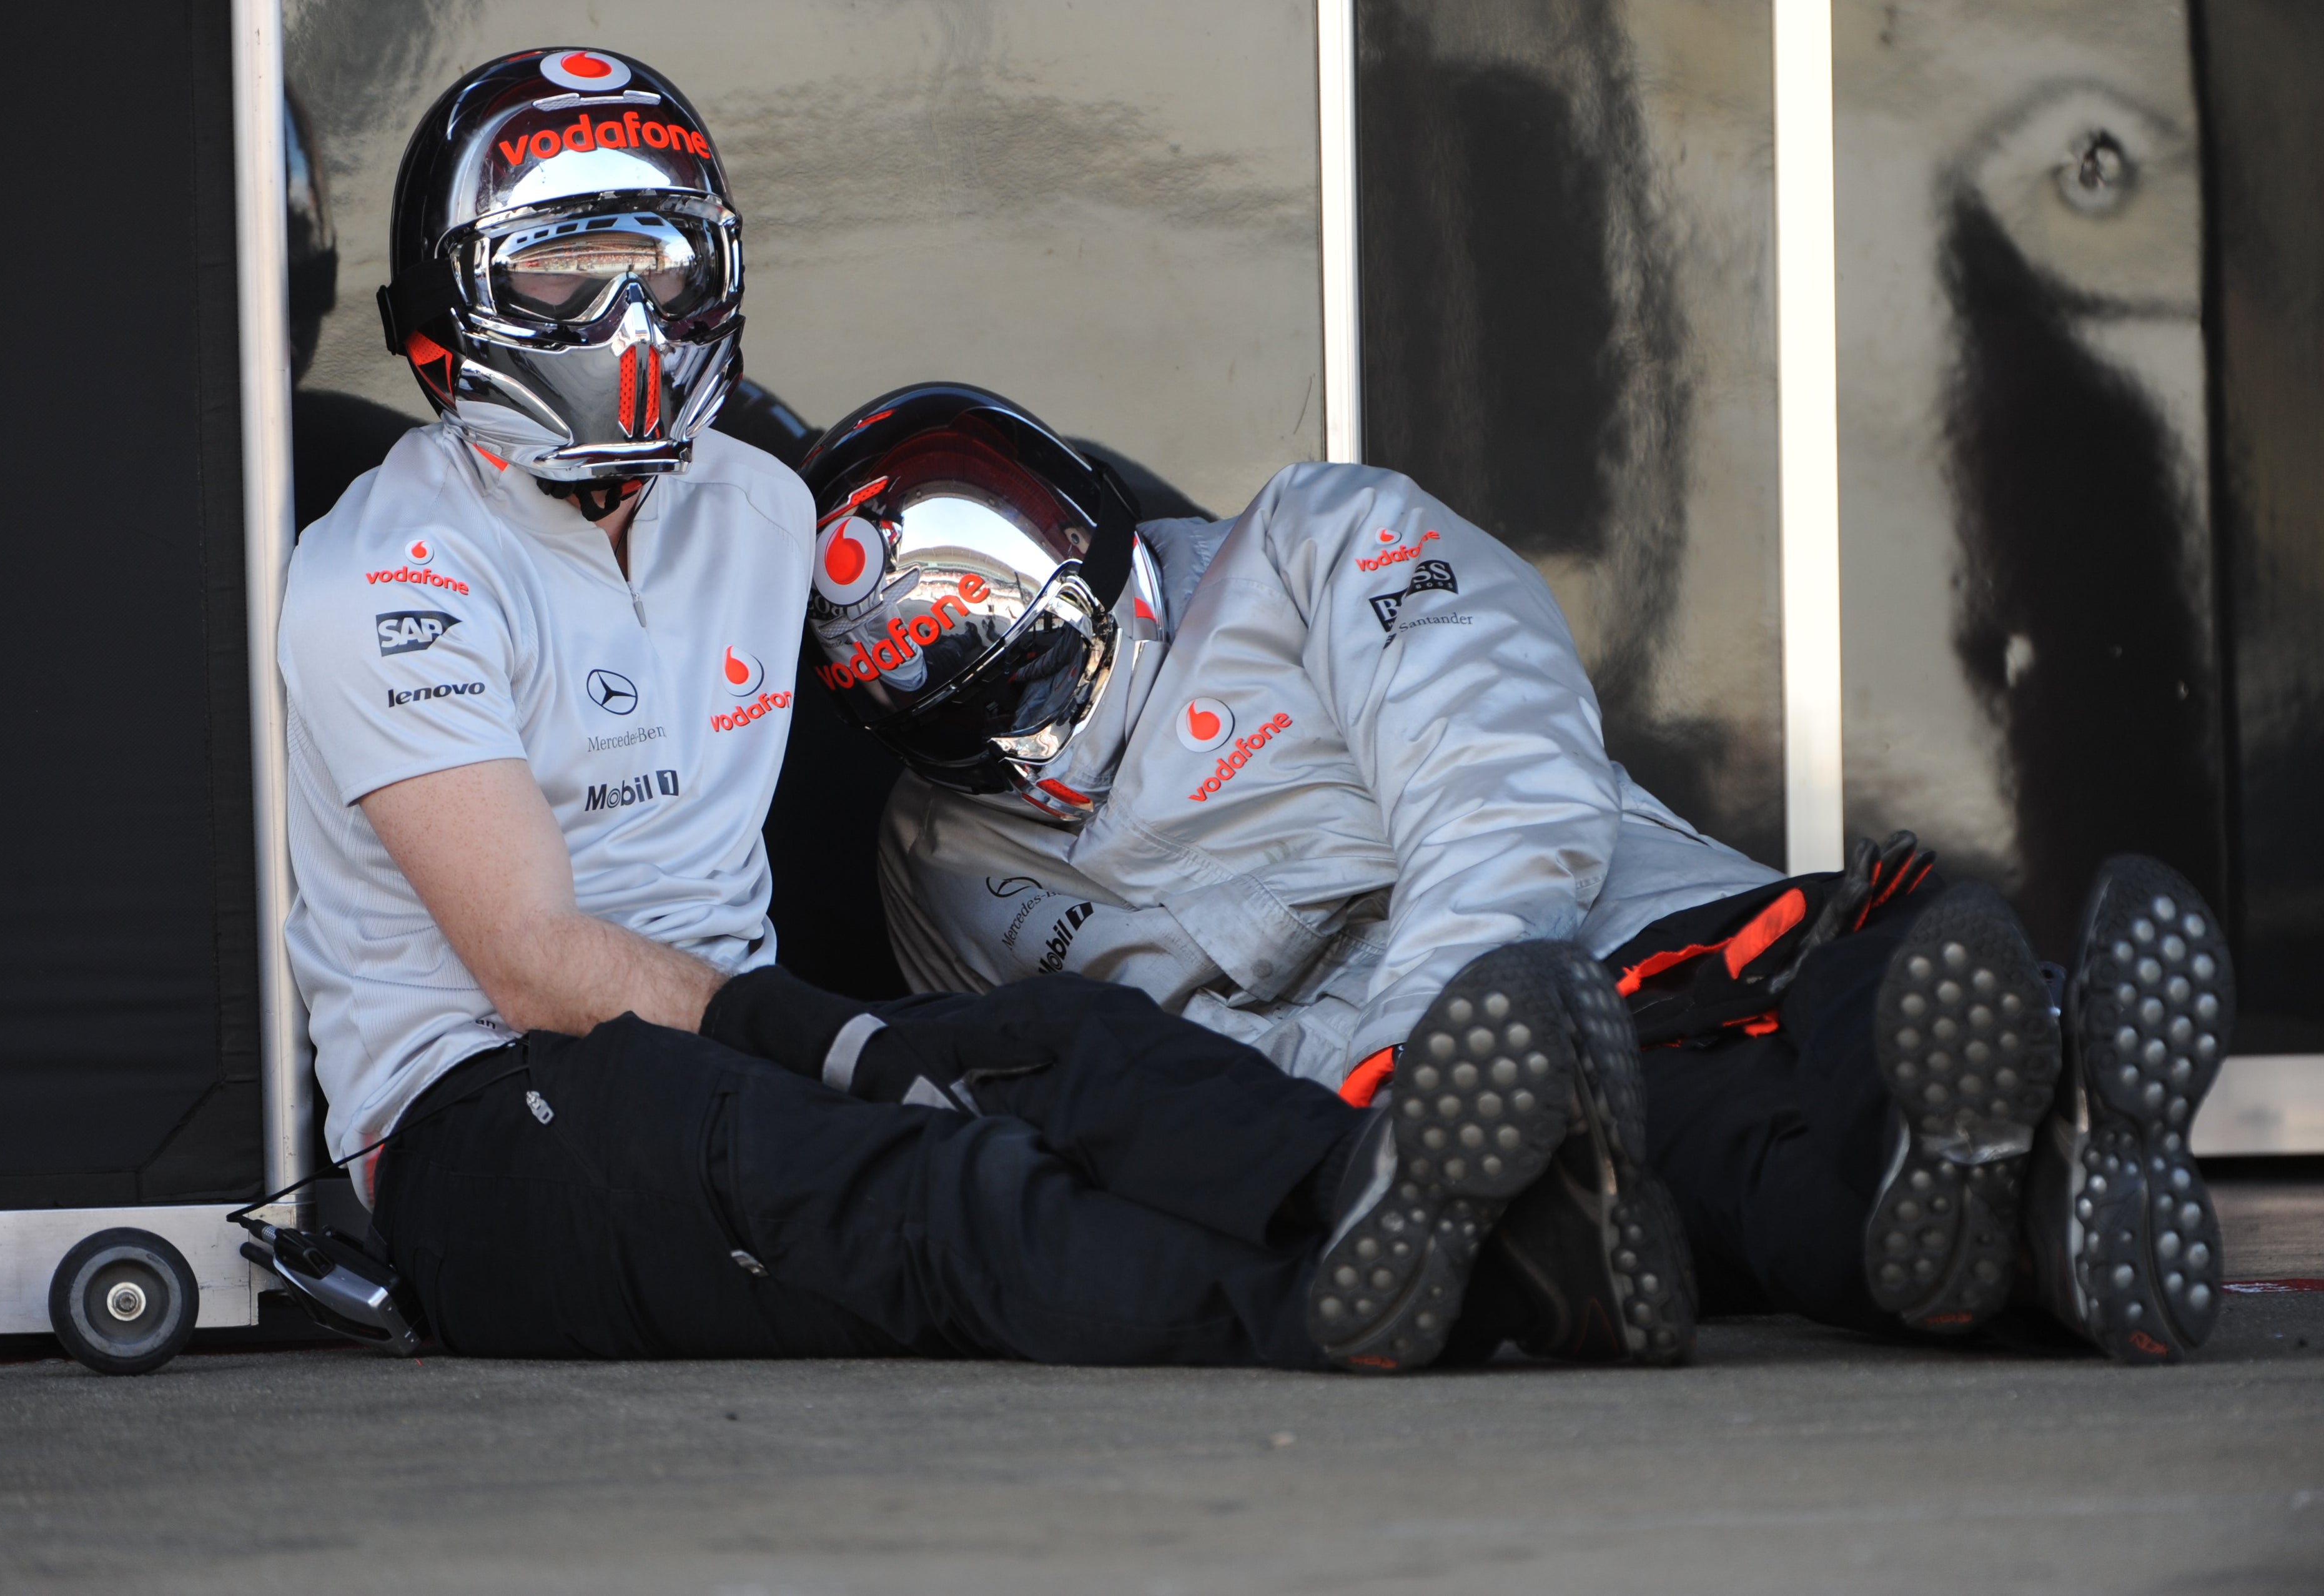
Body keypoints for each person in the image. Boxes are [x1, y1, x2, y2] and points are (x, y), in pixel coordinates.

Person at [280, 47, 1669, 1375]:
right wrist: (836, 1041)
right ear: (449, 301)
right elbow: (531, 964)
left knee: (1082, 1044)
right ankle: (1386, 1304)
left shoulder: (762, 511)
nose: (626, 321)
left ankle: (1439, 1205)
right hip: (483, 1122)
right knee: (929, 1190)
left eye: (660, 264)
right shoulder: (386, 574)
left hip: (740, 1049)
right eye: (568, 271)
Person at [812, 382, 2234, 1365]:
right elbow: (1076, 1078)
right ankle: (2039, 1194)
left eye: (1043, 676)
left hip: (1651, 938)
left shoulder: (1315, 540)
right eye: (961, 729)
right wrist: (1396, 1123)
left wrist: (1421, 1055)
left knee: (1872, 990)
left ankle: (2027, 1116)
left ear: (1100, 553)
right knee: (1725, 1170)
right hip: (1496, 1116)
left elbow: (1499, 777)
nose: (1027, 751)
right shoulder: (933, 858)